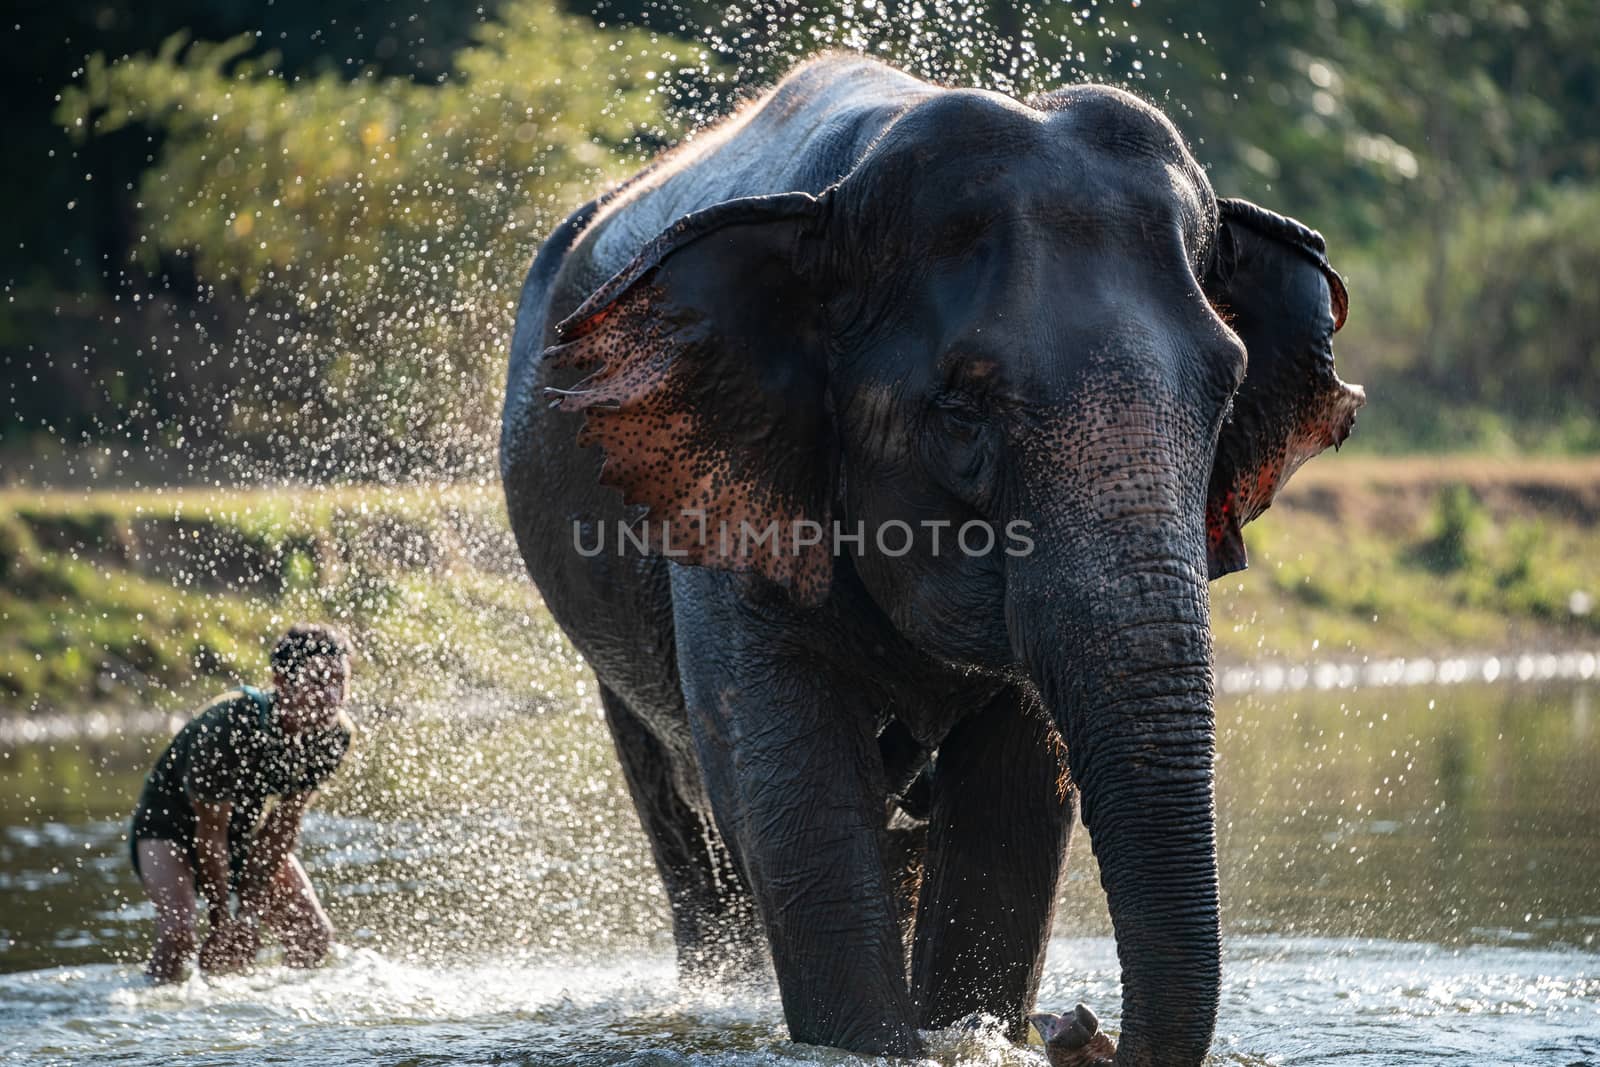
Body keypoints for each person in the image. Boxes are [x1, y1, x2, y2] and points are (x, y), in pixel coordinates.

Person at [128, 623, 355, 982]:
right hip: (168, 827)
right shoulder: (230, 721)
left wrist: (247, 915)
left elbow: (282, 827)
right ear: (281, 681)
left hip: (241, 830)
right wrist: (223, 922)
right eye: (316, 681)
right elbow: (209, 832)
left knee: (313, 935)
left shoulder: (334, 736)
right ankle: (154, 1014)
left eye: (338, 681)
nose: (330, 696)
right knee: (179, 934)